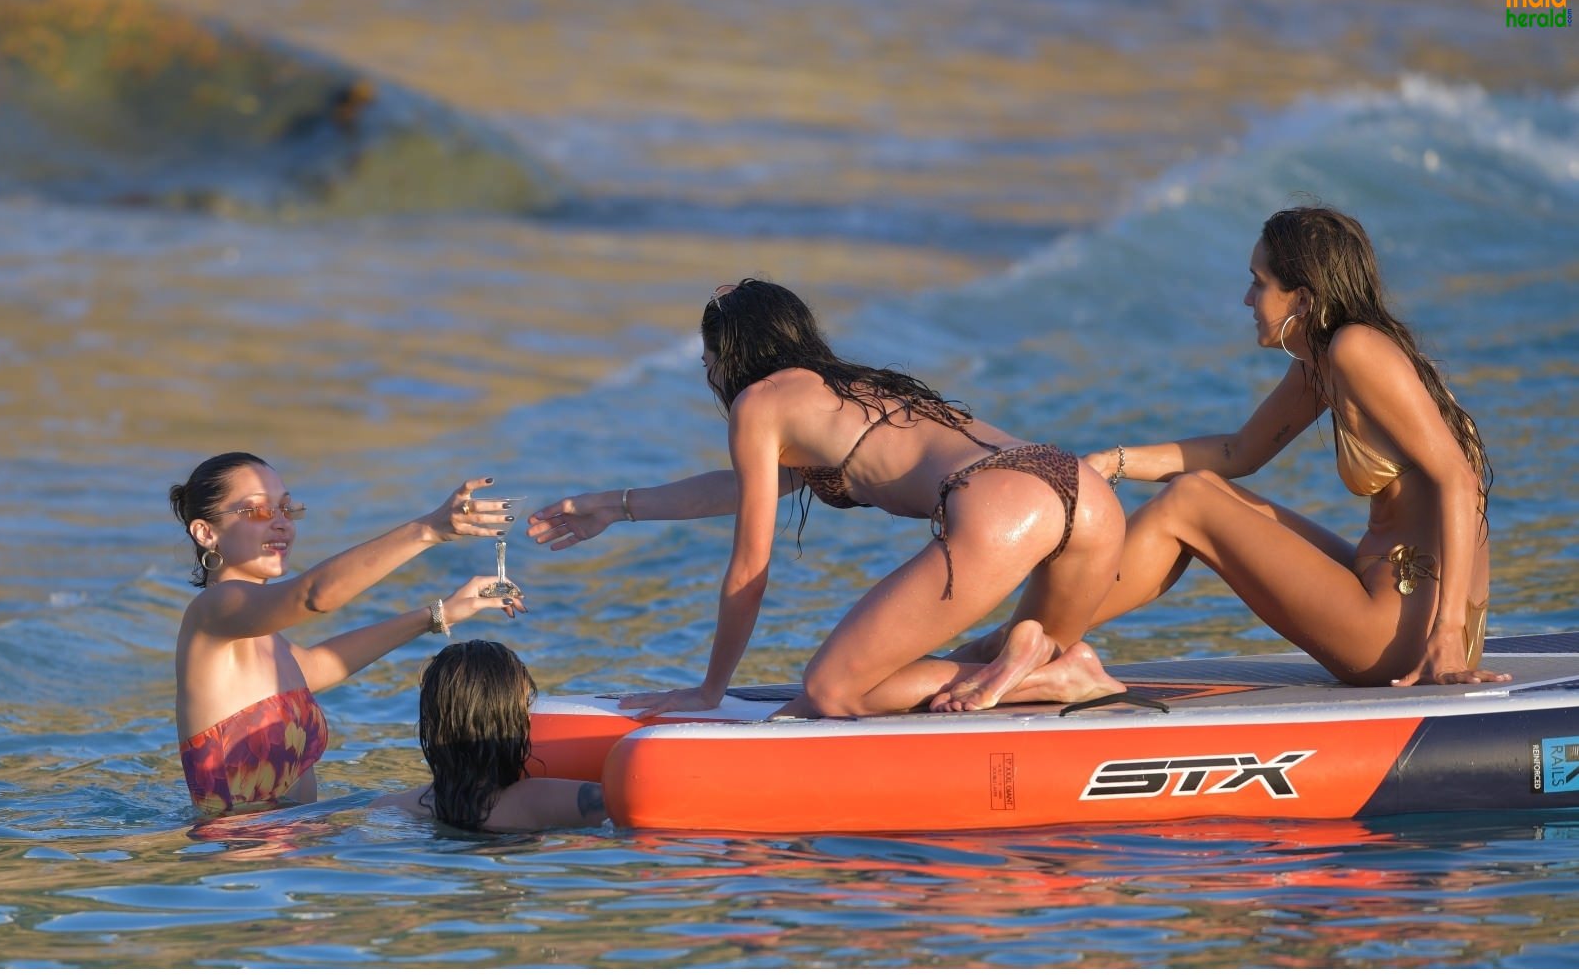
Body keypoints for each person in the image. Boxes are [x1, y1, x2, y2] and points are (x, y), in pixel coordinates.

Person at [955, 206, 1505, 695]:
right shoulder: (1325, 358)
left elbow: (1458, 480)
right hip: (1396, 604)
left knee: (1191, 502)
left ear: (1304, 299)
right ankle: (1019, 642)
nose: (1247, 298)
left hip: (1403, 634)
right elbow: (1238, 451)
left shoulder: (1355, 349)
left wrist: (1447, 639)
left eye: (1259, 283)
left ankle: (1013, 645)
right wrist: (1113, 462)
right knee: (1204, 491)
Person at [526, 278, 1128, 719]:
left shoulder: (758, 403)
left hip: (999, 504)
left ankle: (1051, 675)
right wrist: (617, 505)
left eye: (708, 360)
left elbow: (748, 569)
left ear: (728, 358)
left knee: (832, 690)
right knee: (970, 656)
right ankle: (1029, 662)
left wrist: (710, 690)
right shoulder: (846, 389)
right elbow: (738, 487)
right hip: (1079, 488)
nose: (709, 373)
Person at [170, 452, 524, 816]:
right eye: (259, 510)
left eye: (286, 509)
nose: (282, 524)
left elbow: (320, 665)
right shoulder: (212, 612)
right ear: (206, 532)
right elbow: (315, 596)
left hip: (296, 849)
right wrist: (428, 530)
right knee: (447, 804)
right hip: (242, 862)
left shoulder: (264, 641)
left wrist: (439, 614)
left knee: (448, 799)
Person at [373, 639, 608, 831]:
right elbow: (637, 808)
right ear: (510, 721)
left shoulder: (393, 805)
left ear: (433, 725)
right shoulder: (539, 800)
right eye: (524, 705)